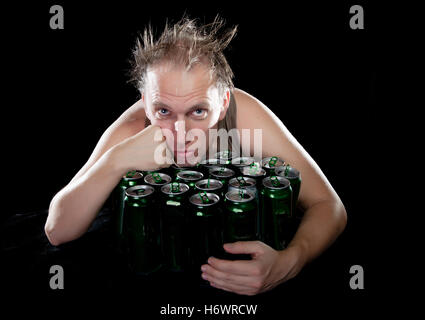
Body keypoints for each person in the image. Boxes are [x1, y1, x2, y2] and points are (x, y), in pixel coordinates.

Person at [45, 16, 347, 296]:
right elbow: (57, 229)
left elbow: (329, 205)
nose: (180, 131)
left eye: (198, 111)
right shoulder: (131, 128)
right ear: (145, 103)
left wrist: (288, 262)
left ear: (223, 101)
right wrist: (116, 160)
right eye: (163, 111)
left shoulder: (244, 112)